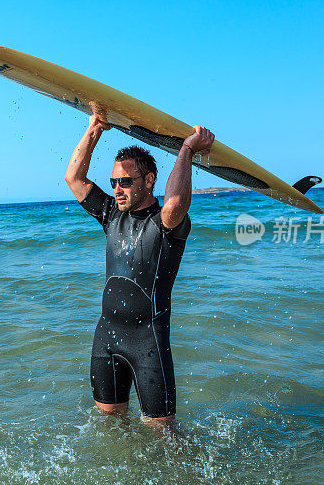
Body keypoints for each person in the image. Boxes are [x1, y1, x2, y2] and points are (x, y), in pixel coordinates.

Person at [64, 115, 214, 427]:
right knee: (110, 427)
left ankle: (192, 478)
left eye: (126, 182)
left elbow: (174, 206)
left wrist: (187, 149)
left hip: (148, 342)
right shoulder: (110, 215)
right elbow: (74, 179)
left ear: (149, 181)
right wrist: (94, 129)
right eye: (114, 182)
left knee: (163, 434)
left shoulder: (166, 224)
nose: (117, 189)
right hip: (106, 338)